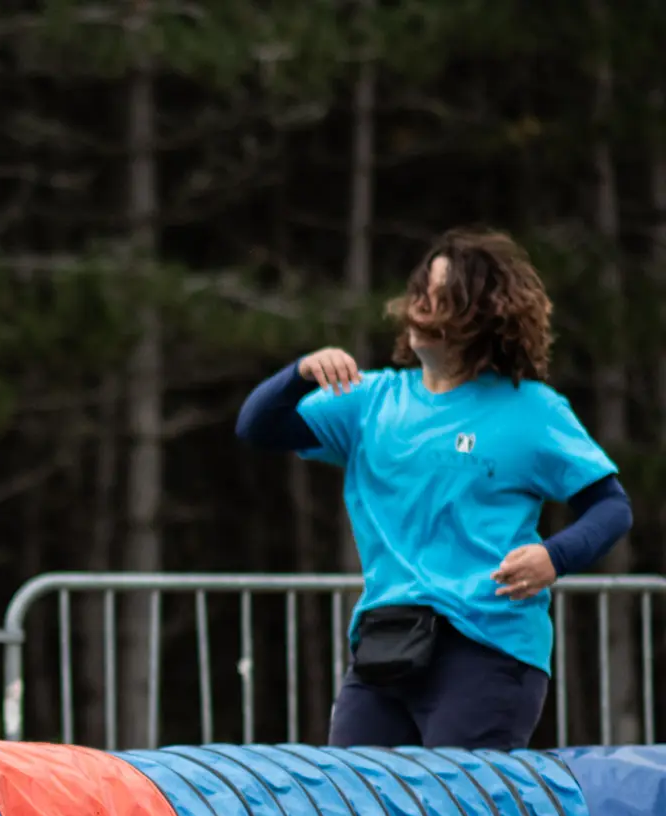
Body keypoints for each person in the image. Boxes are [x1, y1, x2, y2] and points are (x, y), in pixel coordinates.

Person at [235, 227, 633, 749]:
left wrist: (552, 557)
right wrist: (299, 374)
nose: (421, 308)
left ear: (483, 314)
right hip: (386, 644)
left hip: (490, 649)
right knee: (350, 814)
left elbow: (611, 508)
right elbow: (257, 427)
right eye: (421, 293)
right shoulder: (369, 400)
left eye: (442, 299)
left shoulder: (533, 411)